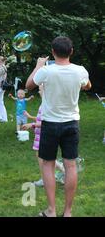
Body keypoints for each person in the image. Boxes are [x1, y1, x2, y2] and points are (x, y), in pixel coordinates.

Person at [26, 36, 91, 217]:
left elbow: (28, 85)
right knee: (70, 166)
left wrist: (39, 65)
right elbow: (87, 86)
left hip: (50, 124)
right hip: (71, 124)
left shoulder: (47, 71)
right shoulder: (80, 71)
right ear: (71, 52)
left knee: (48, 165)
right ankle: (68, 212)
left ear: (53, 52)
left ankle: (51, 211)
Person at [22, 87, 65, 187]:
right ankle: (57, 173)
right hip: (40, 134)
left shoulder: (48, 105)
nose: (38, 91)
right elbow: (40, 119)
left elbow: (47, 122)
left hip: (45, 134)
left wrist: (32, 125)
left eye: (40, 90)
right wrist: (31, 118)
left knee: (44, 158)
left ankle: (48, 177)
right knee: (43, 157)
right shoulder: (44, 104)